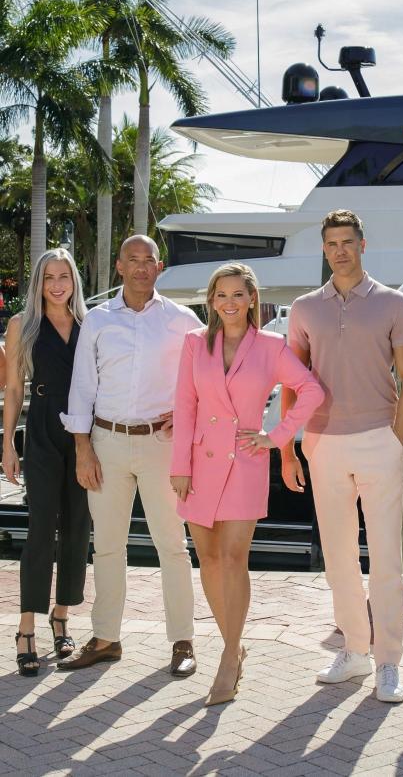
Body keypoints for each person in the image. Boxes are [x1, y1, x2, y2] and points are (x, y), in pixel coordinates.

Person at [281, 209, 403, 703]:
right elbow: (291, 383)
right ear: (324, 250)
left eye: (348, 241)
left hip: (378, 439)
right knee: (338, 556)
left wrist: (395, 437)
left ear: (363, 245)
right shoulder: (303, 309)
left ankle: (388, 662)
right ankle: (355, 651)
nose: (340, 250)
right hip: (322, 443)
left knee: (386, 558)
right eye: (332, 243)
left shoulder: (393, 302)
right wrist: (289, 446)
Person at [170, 263, 324, 705]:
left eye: (239, 294)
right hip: (198, 464)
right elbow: (185, 406)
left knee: (234, 559)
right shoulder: (194, 343)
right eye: (222, 294)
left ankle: (227, 658)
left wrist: (276, 437)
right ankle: (235, 645)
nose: (230, 302)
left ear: (252, 299)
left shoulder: (272, 346)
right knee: (209, 560)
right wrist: (179, 466)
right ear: (211, 299)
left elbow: (311, 390)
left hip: (245, 462)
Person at [59, 235, 202, 676]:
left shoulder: (184, 321)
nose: (141, 267)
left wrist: (184, 417)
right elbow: (83, 386)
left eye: (149, 260)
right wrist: (83, 448)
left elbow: (203, 382)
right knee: (106, 547)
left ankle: (183, 642)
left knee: (172, 546)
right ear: (119, 266)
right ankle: (105, 639)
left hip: (162, 446)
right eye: (132, 260)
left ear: (160, 268)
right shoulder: (98, 321)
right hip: (107, 442)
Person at [2, 250, 89, 676]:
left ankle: (61, 617)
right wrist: (7, 445)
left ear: (74, 280)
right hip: (39, 428)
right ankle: (25, 629)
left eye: (64, 276)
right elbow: (14, 390)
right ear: (38, 282)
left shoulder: (90, 325)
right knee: (40, 529)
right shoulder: (22, 326)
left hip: (84, 433)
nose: (57, 284)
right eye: (49, 277)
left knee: (77, 526)